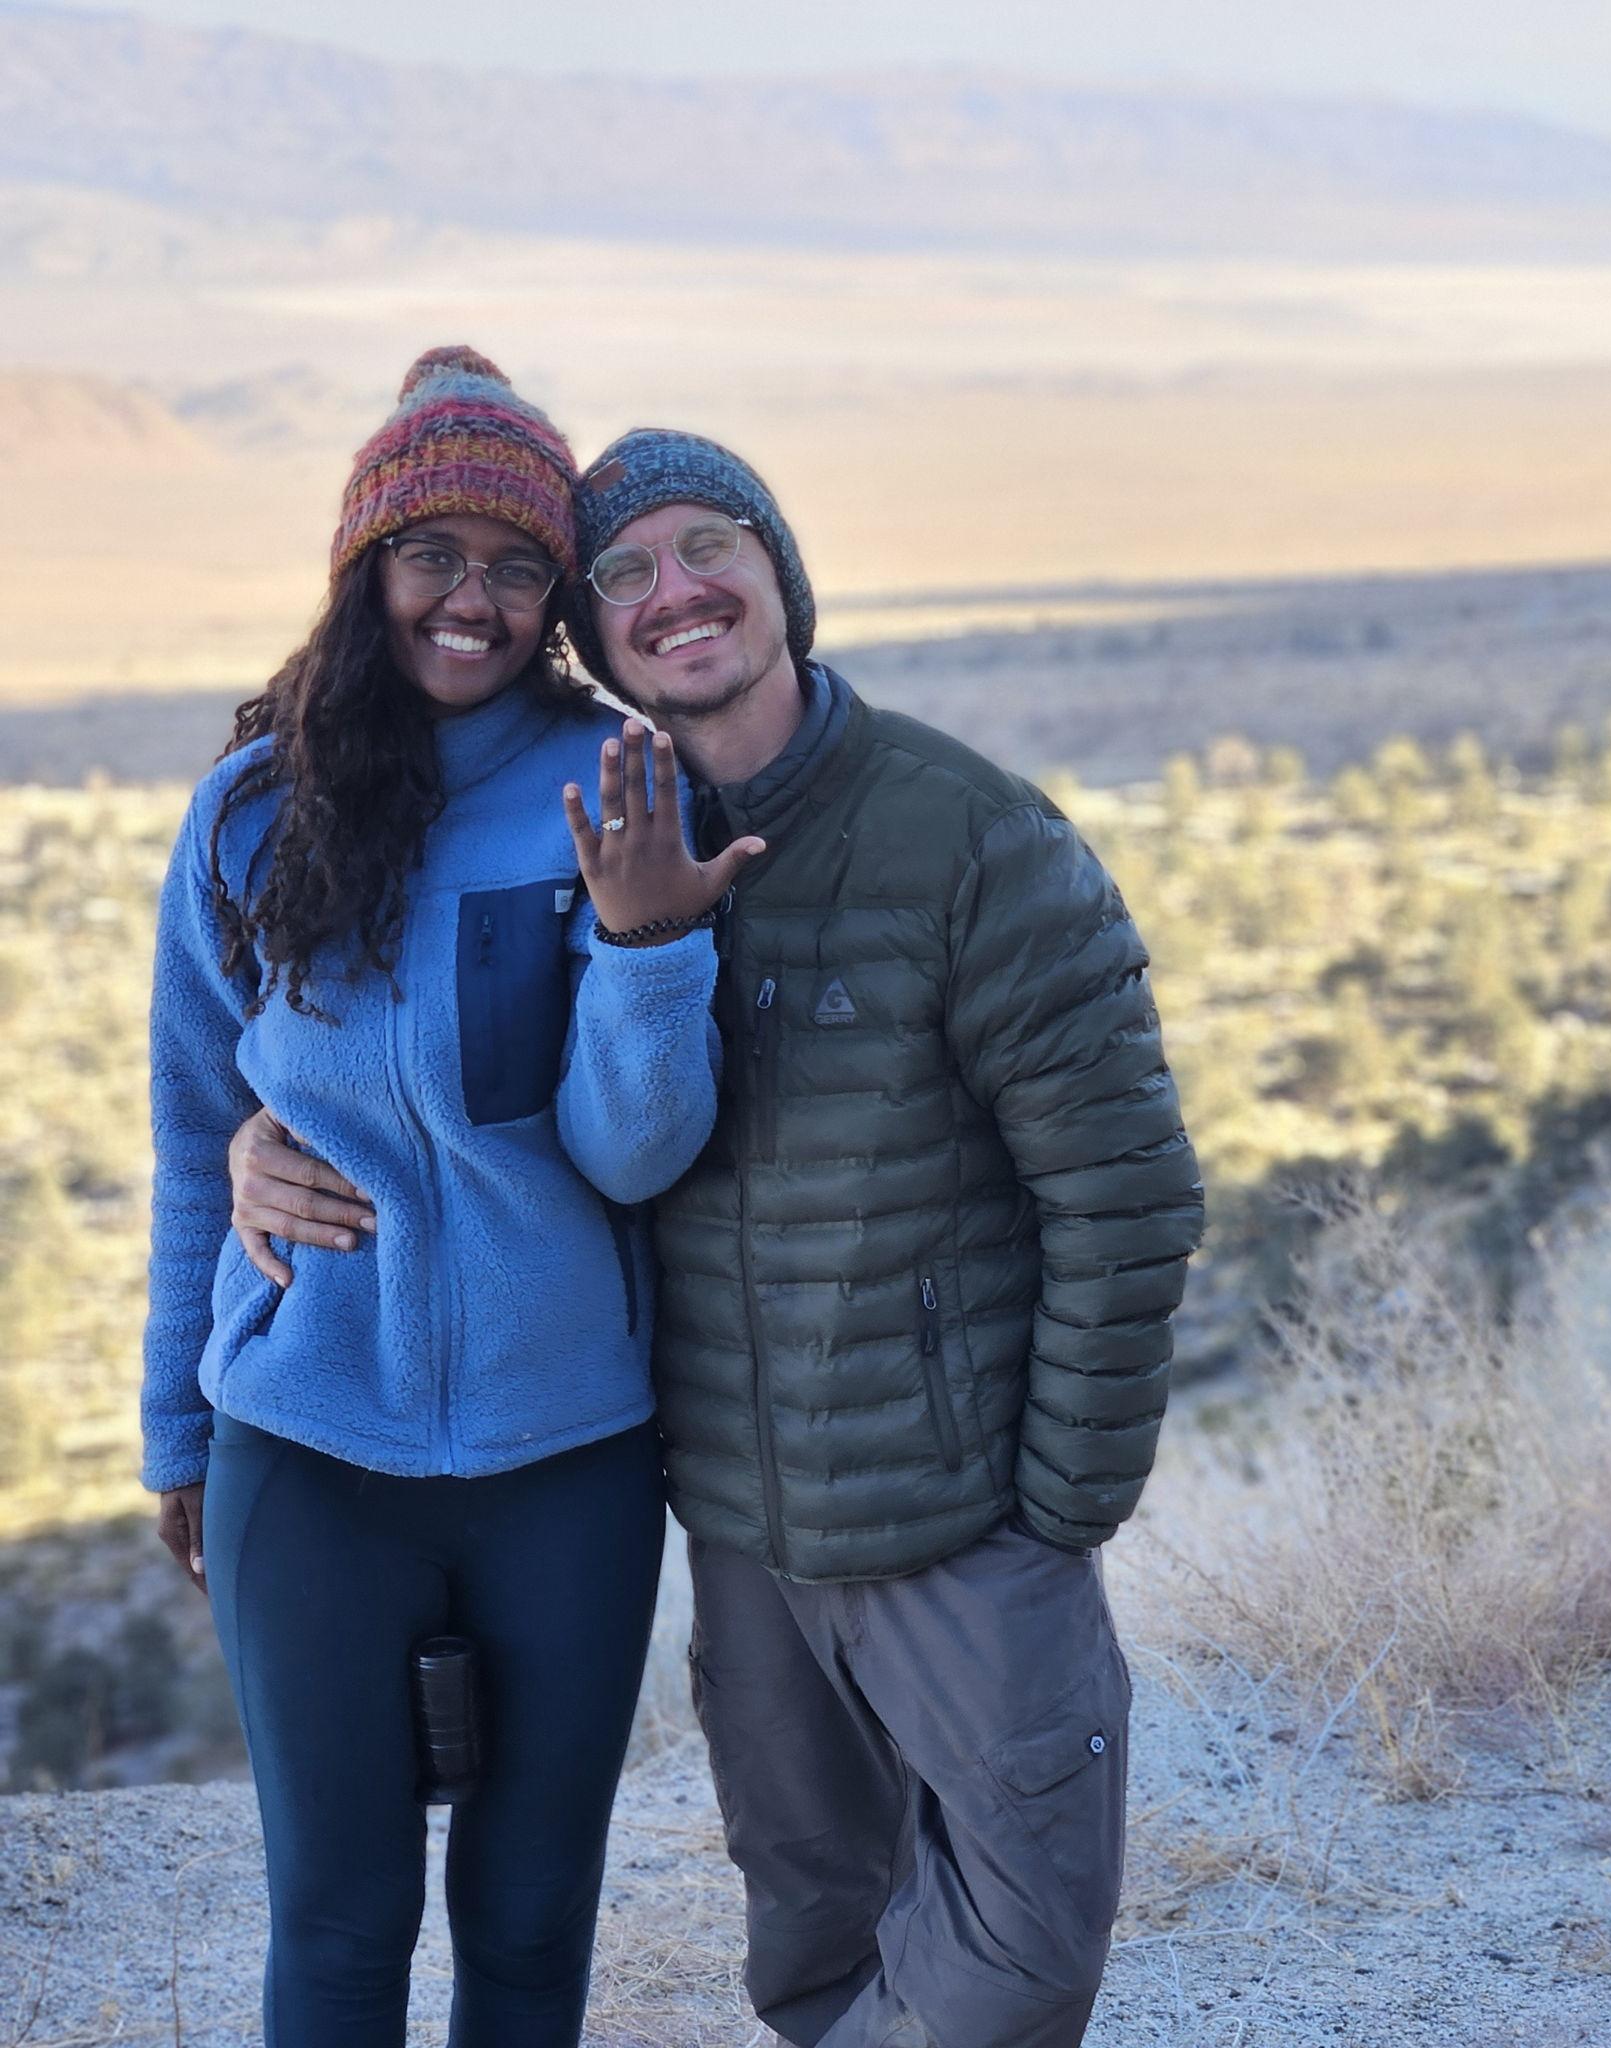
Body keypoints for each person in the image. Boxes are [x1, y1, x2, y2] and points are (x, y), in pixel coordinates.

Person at [227, 425, 1205, 2048]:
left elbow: (1127, 1190)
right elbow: (426, 1102)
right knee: (814, 1945)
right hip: (738, 1525)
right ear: (597, 639)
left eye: (708, 547)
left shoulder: (967, 837)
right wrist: (268, 1134)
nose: (672, 591)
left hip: (954, 1511)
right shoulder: (598, 824)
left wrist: (1060, 1507)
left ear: (780, 572)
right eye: (622, 571)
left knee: (1023, 1943)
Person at [142, 349, 760, 2048]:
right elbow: (198, 1128)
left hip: (566, 1453)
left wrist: (647, 943)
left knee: (531, 1920)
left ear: (556, 598)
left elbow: (638, 1153)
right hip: (307, 1446)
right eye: (434, 555)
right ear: (368, 567)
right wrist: (177, 1429)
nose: (472, 600)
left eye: (516, 566)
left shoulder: (616, 781)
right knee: (340, 1929)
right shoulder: (248, 813)